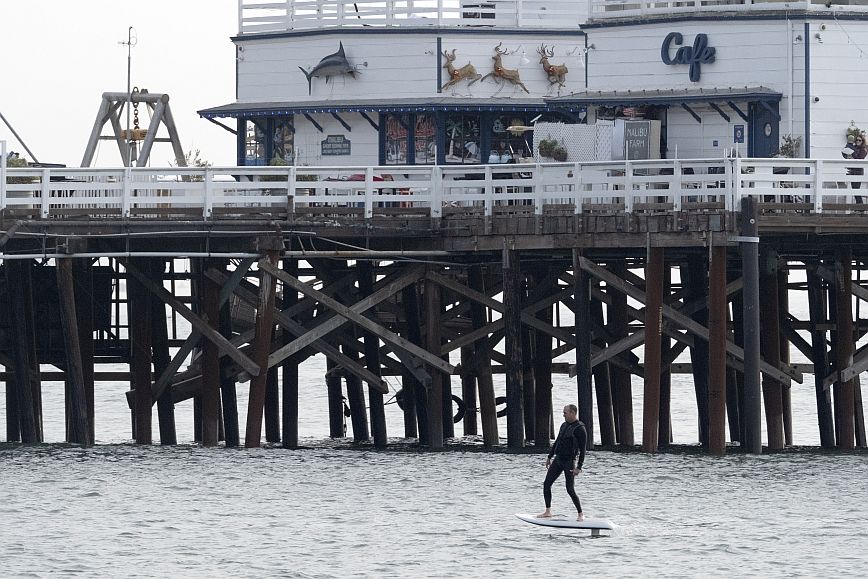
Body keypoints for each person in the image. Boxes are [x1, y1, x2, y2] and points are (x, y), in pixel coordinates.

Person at [537, 404, 588, 521]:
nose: (563, 414)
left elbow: (583, 449)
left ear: (572, 413)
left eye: (565, 412)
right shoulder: (564, 425)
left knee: (570, 489)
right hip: (558, 459)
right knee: (546, 484)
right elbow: (557, 442)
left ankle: (580, 514)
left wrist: (579, 467)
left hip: (569, 462)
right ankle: (548, 511)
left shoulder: (580, 429)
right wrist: (549, 457)